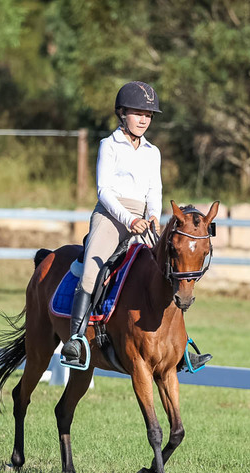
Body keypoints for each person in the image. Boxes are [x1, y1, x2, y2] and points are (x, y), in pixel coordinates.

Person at [60, 81, 162, 367]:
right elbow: (103, 190)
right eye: (138, 112)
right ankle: (76, 341)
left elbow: (155, 190)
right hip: (111, 215)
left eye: (149, 114)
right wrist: (130, 220)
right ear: (122, 113)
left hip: (144, 217)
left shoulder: (153, 152)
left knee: (168, 270)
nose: (144, 119)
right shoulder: (109, 145)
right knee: (91, 272)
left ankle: (179, 345)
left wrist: (154, 214)